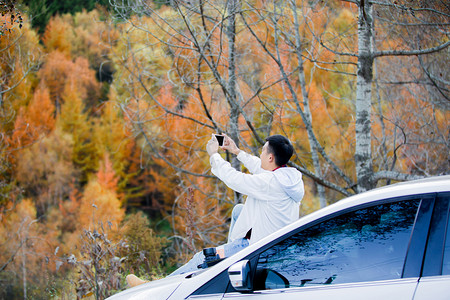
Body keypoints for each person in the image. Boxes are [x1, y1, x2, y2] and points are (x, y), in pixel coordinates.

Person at [127, 133, 304, 285]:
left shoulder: (270, 183)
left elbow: (234, 178)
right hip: (277, 242)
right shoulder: (288, 177)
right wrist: (236, 151)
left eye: (263, 150)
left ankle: (154, 287)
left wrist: (214, 155)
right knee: (239, 211)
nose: (261, 153)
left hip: (258, 247)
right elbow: (260, 167)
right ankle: (230, 255)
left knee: (202, 258)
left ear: (271, 158)